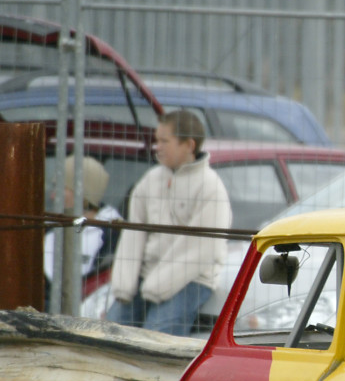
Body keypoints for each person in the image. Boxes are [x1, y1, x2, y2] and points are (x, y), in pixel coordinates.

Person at [107, 110, 231, 336]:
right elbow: (133, 234)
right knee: (111, 330)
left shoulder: (211, 187)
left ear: (189, 145)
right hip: (147, 277)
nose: (158, 147)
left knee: (155, 336)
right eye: (157, 140)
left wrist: (157, 286)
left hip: (191, 280)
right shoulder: (150, 180)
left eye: (165, 141)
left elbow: (199, 250)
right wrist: (124, 286)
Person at [43, 155, 123, 291]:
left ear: (81, 192)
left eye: (61, 188)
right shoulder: (47, 229)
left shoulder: (112, 235)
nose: (53, 196)